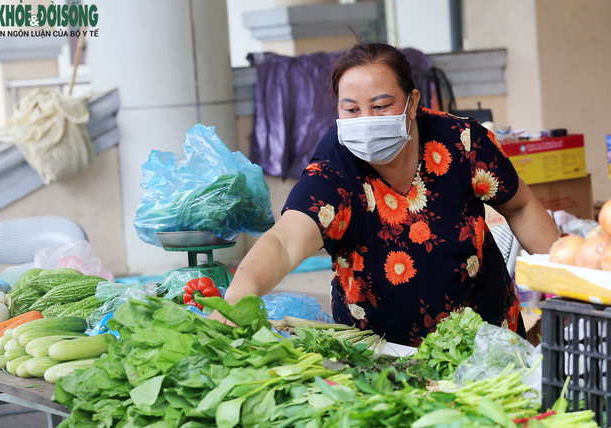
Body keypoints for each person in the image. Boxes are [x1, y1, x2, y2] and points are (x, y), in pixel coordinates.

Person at [211, 42, 559, 346]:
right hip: (381, 358)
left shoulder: (461, 142)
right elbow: (285, 240)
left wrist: (570, 283)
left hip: (489, 339)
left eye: (380, 106)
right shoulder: (336, 167)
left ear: (411, 104)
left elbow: (521, 204)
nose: (365, 120)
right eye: (351, 109)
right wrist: (239, 296)